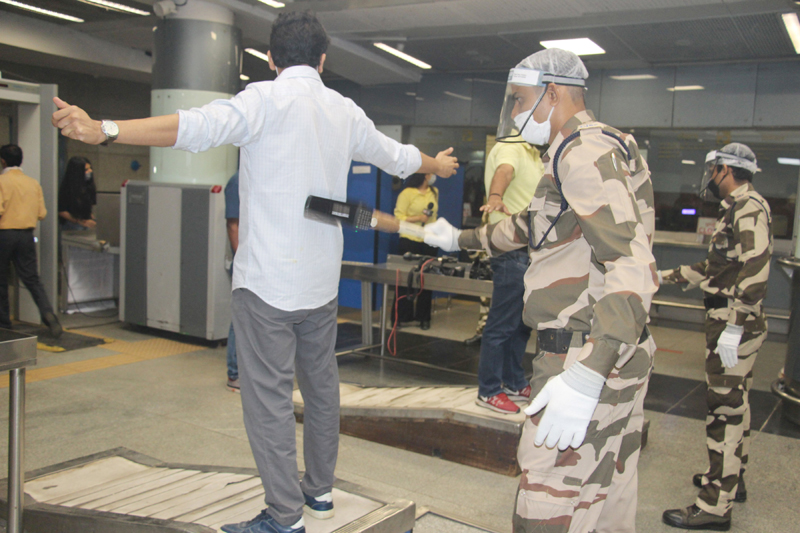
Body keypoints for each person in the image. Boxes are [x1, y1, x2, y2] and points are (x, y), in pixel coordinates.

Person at [51, 11, 457, 533]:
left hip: (267, 284)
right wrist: (438, 166)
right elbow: (399, 157)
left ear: (270, 59)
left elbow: (191, 128)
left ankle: (285, 519)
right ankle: (321, 495)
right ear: (324, 60)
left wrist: (105, 129)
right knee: (322, 391)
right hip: (319, 285)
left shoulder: (261, 100)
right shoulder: (344, 110)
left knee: (267, 403)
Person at [424, 48, 657, 533]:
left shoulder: (583, 152)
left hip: (585, 353)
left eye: (520, 100)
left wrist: (590, 371)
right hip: (610, 349)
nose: (514, 113)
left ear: (552, 93)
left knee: (546, 508)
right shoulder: (583, 150)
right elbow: (534, 227)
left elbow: (630, 264)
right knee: (605, 500)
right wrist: (457, 238)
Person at [660, 143, 771, 531]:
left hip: (733, 324)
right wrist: (660, 279)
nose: (709, 179)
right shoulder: (739, 209)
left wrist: (736, 325)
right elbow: (714, 267)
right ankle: (731, 480)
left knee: (724, 410)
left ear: (725, 170)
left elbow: (756, 269)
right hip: (732, 321)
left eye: (713, 172)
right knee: (737, 405)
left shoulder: (749, 207)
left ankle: (713, 506)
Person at [473, 136, 544, 414]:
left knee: (521, 324)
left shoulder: (535, 154)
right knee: (502, 324)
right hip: (510, 247)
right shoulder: (511, 147)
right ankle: (488, 390)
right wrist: (495, 197)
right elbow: (504, 171)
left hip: (530, 249)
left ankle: (514, 381)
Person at [0, 144, 62, 338]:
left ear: (2, 161)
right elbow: (42, 213)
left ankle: (5, 325)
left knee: (1, 280)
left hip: (4, 235)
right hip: (26, 236)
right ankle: (48, 314)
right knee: (32, 279)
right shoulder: (33, 183)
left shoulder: (1, 182)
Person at [392, 172, 438, 330]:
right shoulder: (407, 193)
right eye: (431, 173)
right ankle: (400, 317)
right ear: (424, 175)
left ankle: (424, 318)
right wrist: (418, 218)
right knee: (406, 280)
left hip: (429, 240)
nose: (433, 176)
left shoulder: (434, 192)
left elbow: (434, 216)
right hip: (409, 240)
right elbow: (398, 217)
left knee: (427, 280)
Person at [225, 171, 240, 392]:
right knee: (243, 317)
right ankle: (235, 374)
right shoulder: (239, 181)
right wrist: (244, 258)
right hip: (249, 262)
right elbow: (234, 225)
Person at [58, 156, 97, 231]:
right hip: (72, 224)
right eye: (86, 169)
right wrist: (79, 221)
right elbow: (62, 211)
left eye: (90, 168)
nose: (90, 171)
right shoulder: (67, 188)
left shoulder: (88, 186)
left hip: (85, 222)